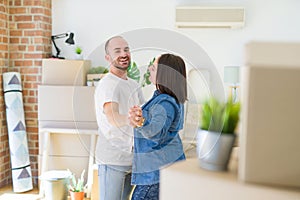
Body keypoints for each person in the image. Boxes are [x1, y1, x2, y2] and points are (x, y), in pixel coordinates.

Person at [128, 53, 187, 200]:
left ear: (164, 74)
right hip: (164, 169)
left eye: (153, 68)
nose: (149, 69)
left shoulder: (165, 103)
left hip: (155, 174)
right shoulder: (167, 99)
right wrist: (140, 117)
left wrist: (140, 122)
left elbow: (156, 133)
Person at [94, 36, 144, 200]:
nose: (124, 54)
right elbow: (112, 117)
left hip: (131, 159)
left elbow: (143, 115)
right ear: (108, 58)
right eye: (117, 51)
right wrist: (130, 120)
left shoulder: (133, 85)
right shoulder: (108, 84)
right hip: (113, 160)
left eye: (126, 49)